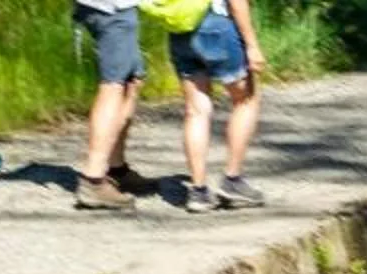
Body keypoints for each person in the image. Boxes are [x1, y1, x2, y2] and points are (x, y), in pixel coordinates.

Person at [166, 0, 268, 211]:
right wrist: (252, 44)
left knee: (196, 110)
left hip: (181, 28)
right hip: (215, 24)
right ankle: (232, 180)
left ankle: (198, 191)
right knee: (246, 99)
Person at [68, 0, 148, 210]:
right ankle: (93, 179)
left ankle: (116, 168)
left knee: (132, 81)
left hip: (113, 9)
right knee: (113, 86)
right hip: (110, 9)